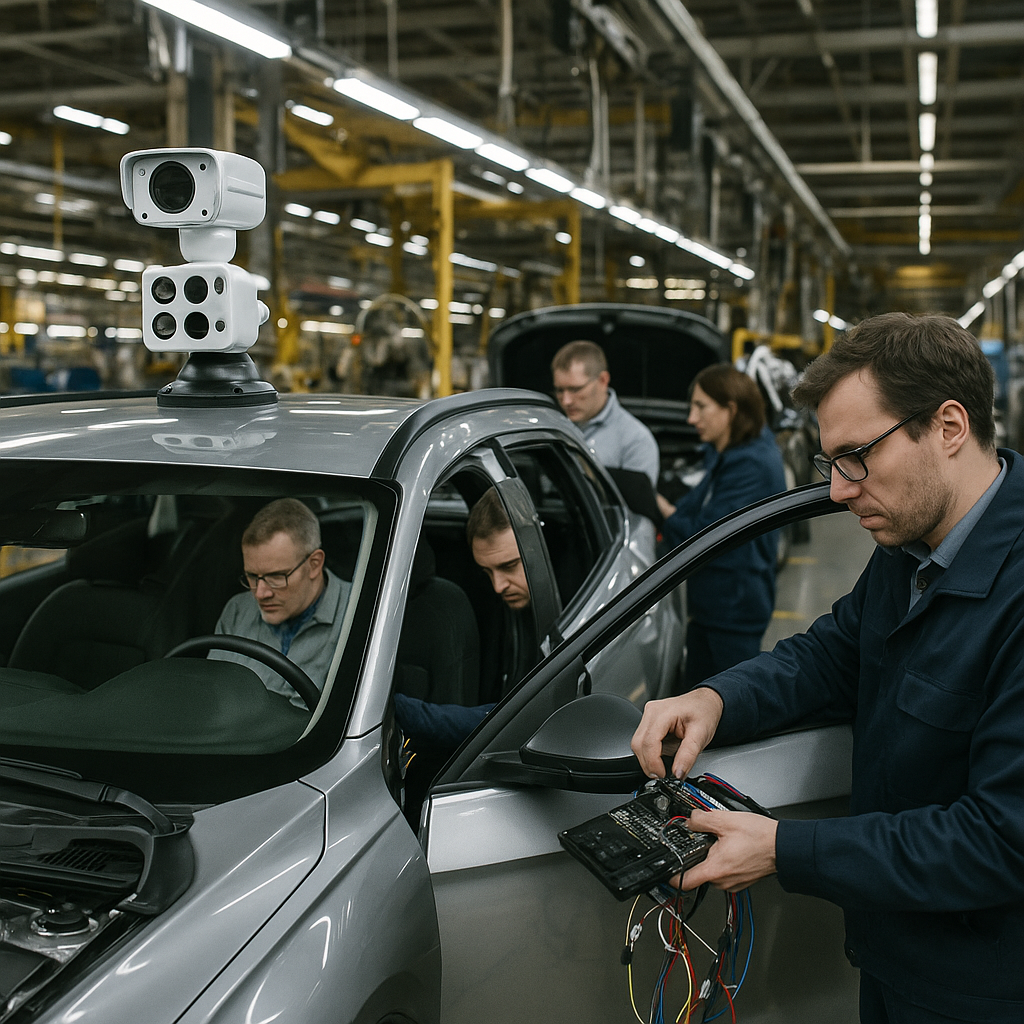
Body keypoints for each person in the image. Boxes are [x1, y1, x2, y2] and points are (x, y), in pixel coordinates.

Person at [631, 313, 1024, 1024]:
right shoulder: (912, 546)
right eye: (830, 463)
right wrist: (717, 697)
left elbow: (1000, 839)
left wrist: (788, 848)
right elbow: (830, 654)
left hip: (983, 991)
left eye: (857, 456)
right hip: (894, 958)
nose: (839, 491)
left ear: (949, 427)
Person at [655, 364, 787, 687]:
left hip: (733, 612)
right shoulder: (728, 453)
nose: (691, 418)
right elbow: (694, 505)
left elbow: (707, 536)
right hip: (714, 608)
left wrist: (654, 503)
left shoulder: (751, 464)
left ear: (730, 410)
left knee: (725, 708)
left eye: (700, 407)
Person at [395, 487, 535, 746]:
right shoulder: (505, 601)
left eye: (509, 566)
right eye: (487, 572)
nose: (497, 586)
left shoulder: (584, 610)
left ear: (537, 549)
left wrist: (397, 710)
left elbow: (527, 718)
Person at [211, 498, 350, 708]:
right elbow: (213, 700)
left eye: (276, 577)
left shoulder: (361, 615)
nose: (260, 593)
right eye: (251, 576)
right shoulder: (238, 610)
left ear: (314, 564)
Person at [551, 340, 660, 558]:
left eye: (575, 389)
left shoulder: (635, 440)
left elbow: (640, 526)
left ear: (602, 380)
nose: (566, 400)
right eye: (560, 390)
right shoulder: (553, 429)